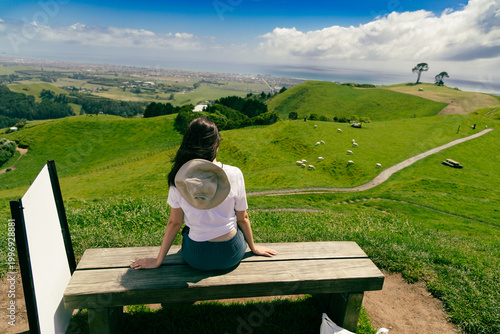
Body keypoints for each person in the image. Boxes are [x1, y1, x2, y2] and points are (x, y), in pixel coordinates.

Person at [131, 117, 276, 271]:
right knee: (233, 225)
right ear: (216, 145)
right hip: (231, 253)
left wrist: (158, 261)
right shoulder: (234, 174)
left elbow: (175, 223)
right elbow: (242, 217)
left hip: (197, 257)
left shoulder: (179, 178)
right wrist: (253, 247)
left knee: (187, 230)